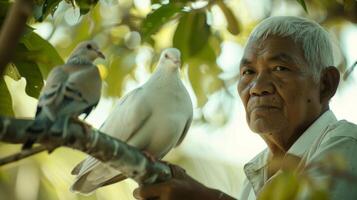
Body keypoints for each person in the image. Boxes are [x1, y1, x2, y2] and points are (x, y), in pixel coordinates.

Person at [133, 16, 357, 200]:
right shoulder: (257, 173)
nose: (257, 88)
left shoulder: (347, 144)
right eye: (248, 72)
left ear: (326, 84)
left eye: (279, 68)